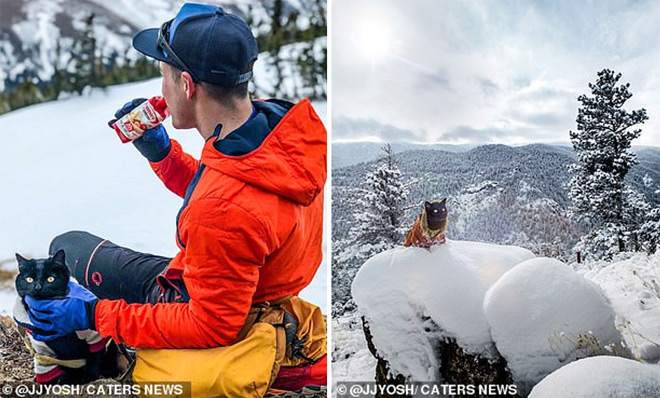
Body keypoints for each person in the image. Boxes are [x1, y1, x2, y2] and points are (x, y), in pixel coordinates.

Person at [23, 2, 327, 390]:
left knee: (68, 251)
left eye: (164, 76)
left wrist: (96, 314)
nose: (161, 89)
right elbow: (240, 200)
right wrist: (164, 155)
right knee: (72, 251)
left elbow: (210, 323)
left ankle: (92, 361)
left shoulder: (221, 209)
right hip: (244, 282)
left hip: (215, 305)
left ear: (186, 85)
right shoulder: (275, 134)